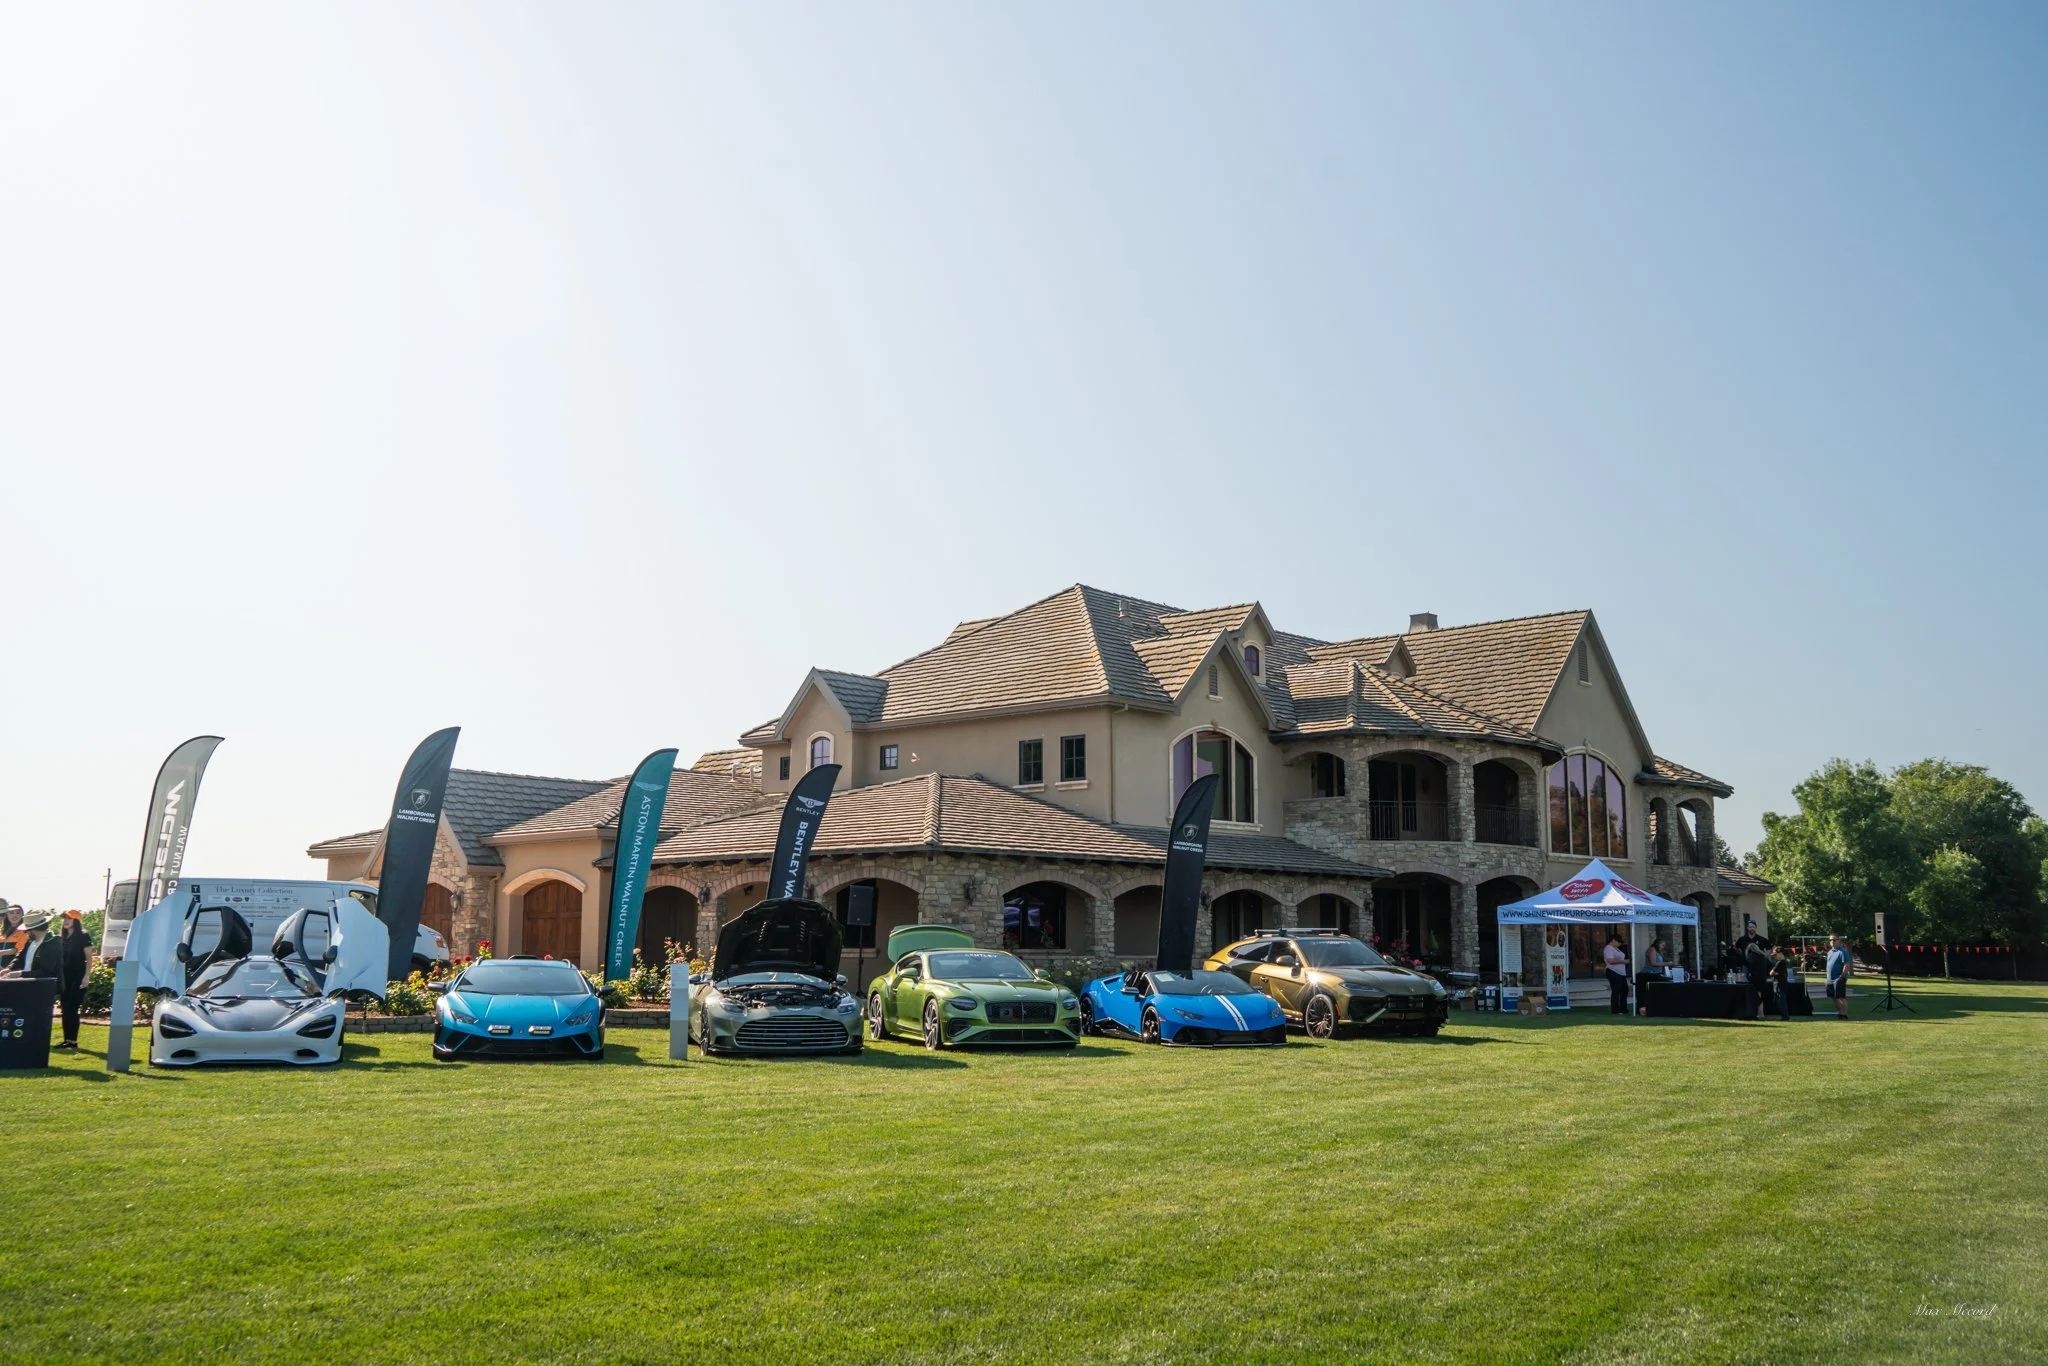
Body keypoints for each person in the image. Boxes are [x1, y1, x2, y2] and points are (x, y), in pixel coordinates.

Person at [54, 911, 94, 1050]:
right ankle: (67, 1040)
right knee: (65, 1008)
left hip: (78, 976)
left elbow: (89, 958)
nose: (65, 920)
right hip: (65, 977)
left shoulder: (83, 935)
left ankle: (72, 1040)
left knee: (72, 1008)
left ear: (76, 920)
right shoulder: (62, 938)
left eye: (69, 918)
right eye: (64, 918)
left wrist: (87, 976)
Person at [9, 913, 60, 981]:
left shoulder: (53, 943)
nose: (26, 933)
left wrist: (21, 974)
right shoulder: (30, 941)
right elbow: (21, 957)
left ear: (33, 930)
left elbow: (46, 972)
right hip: (29, 984)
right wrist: (10, 968)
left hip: (45, 987)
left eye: (26, 930)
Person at [1743, 933, 1777, 1020]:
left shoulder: (1751, 957)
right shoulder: (1763, 956)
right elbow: (1770, 965)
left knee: (1757, 996)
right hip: (1763, 979)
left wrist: (1748, 976)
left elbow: (1750, 968)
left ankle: (1759, 1013)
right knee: (1760, 995)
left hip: (1755, 979)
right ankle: (1760, 1013)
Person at [1824, 932, 1852, 1020]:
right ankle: (1840, 1012)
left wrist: (1842, 977)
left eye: (1834, 940)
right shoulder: (1829, 952)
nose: (1832, 941)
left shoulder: (1842, 951)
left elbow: (1846, 965)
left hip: (1839, 978)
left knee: (1840, 997)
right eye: (1830, 940)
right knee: (1833, 997)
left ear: (1839, 941)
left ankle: (1844, 1014)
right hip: (1829, 978)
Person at [1602, 932, 1630, 1015]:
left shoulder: (1616, 948)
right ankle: (1615, 1009)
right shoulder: (1608, 948)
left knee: (1624, 990)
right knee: (1616, 990)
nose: (1620, 943)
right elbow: (1610, 960)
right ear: (1613, 940)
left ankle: (1623, 1008)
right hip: (1613, 971)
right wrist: (1623, 961)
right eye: (1619, 942)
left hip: (1621, 973)